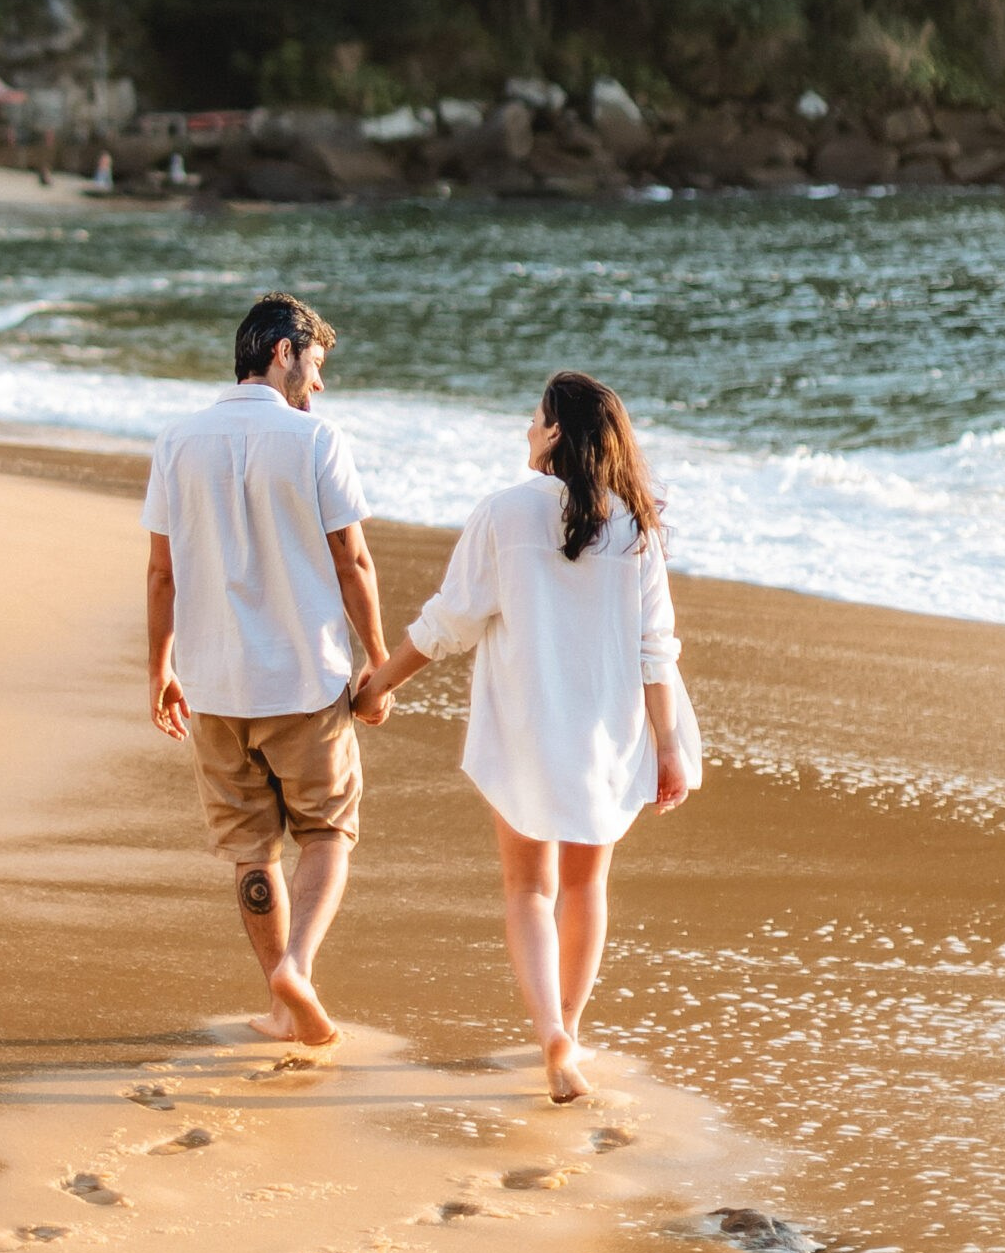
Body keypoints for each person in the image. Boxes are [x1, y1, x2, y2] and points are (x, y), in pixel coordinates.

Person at [354, 370, 691, 1103]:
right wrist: (668, 746)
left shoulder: (504, 513)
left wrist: (378, 684)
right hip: (607, 733)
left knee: (528, 889)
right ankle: (571, 1026)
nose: (526, 428)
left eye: (535, 417)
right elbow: (655, 652)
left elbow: (448, 623)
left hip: (526, 728)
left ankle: (551, 1035)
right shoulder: (633, 526)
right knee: (586, 884)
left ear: (554, 432)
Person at [144, 294, 390, 1049]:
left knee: (253, 852)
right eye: (314, 364)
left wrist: (160, 670)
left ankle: (281, 1005)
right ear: (283, 351)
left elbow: (161, 574)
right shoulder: (315, 440)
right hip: (304, 682)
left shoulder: (177, 441)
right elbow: (352, 561)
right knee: (327, 833)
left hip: (215, 688)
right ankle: (297, 971)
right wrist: (379, 662)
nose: (318, 384)